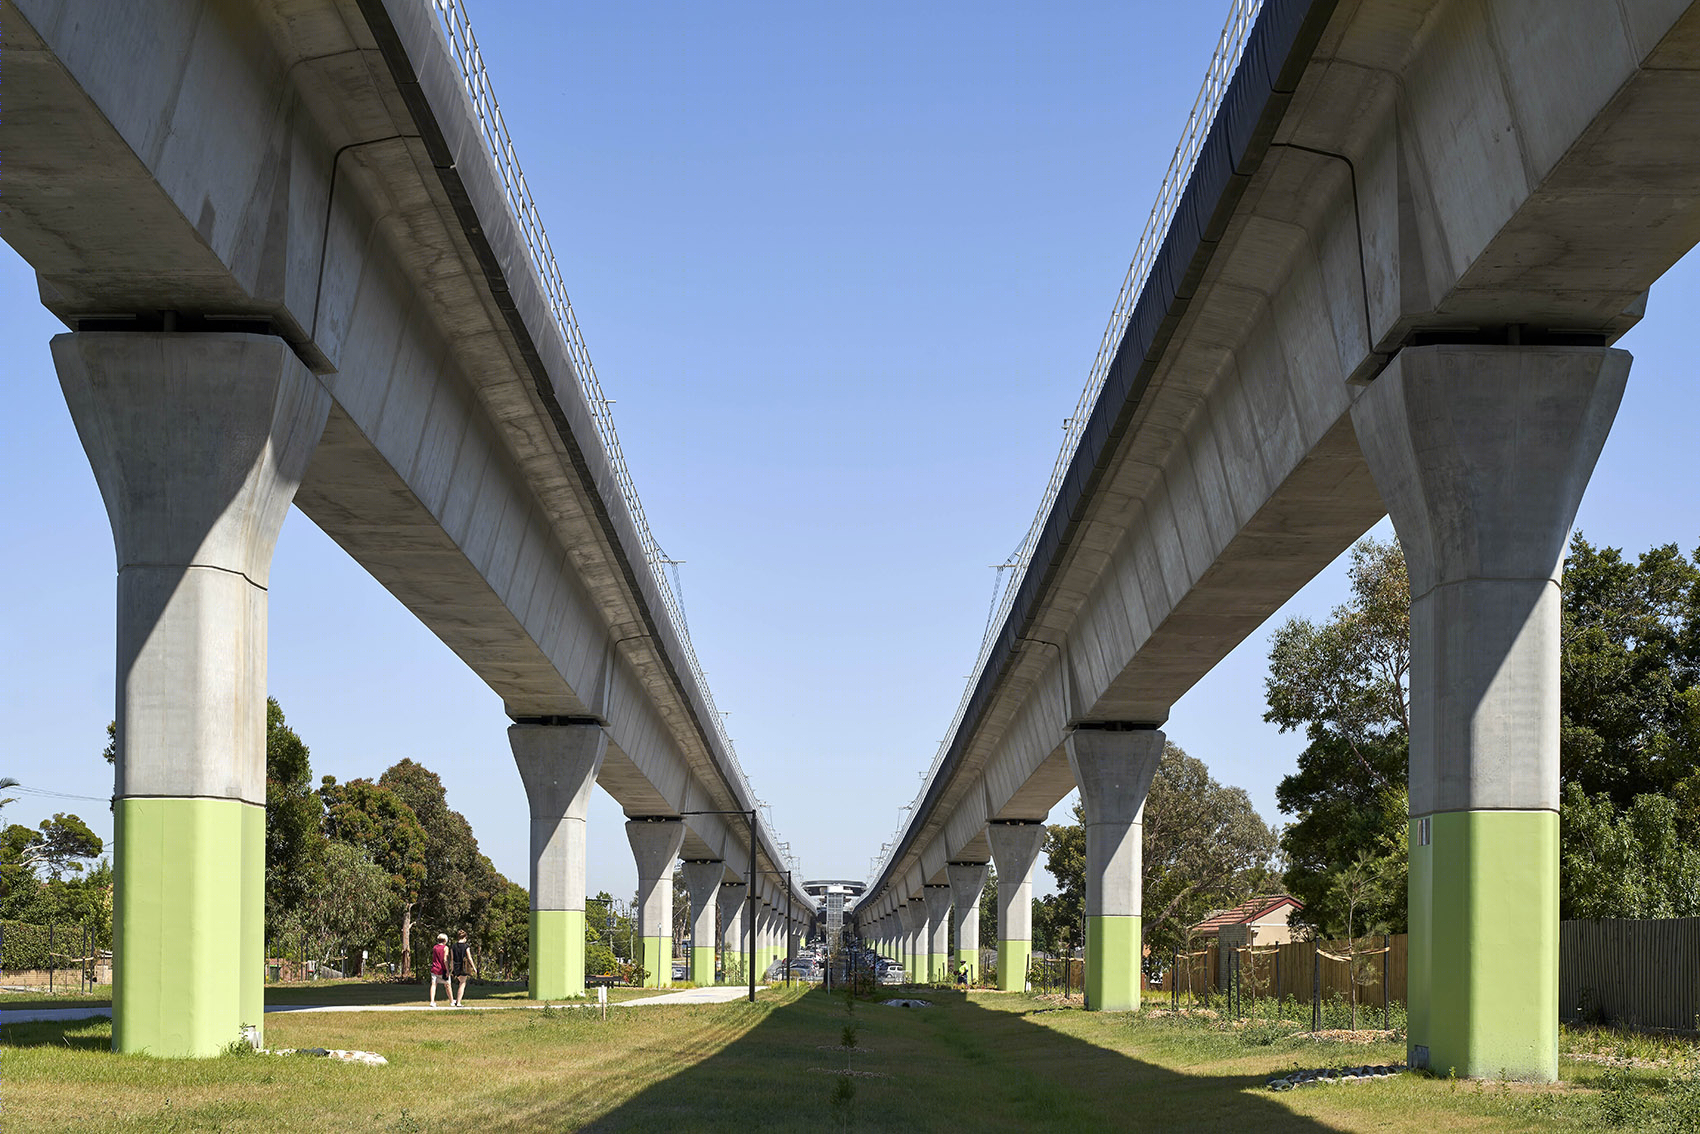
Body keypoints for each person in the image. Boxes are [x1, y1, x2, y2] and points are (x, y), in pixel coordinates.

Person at [451, 929, 477, 1007]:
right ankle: (458, 1002)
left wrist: (451, 969)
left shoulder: (453, 946)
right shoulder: (466, 946)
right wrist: (474, 967)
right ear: (465, 937)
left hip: (456, 966)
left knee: (460, 982)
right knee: (462, 984)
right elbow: (469, 958)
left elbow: (452, 958)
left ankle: (456, 1000)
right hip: (463, 966)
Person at [429, 933, 451, 1006]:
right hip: (442, 969)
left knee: (433, 984)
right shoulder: (445, 948)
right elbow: (445, 959)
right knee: (448, 985)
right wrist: (447, 970)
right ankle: (451, 1001)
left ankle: (432, 1001)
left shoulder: (435, 947)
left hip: (434, 968)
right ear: (445, 940)